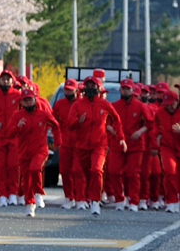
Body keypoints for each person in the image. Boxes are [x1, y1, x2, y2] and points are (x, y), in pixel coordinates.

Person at [68, 70, 123, 216]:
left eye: (93, 86)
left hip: (99, 144)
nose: (90, 88)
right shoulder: (77, 105)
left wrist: (120, 137)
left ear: (98, 89)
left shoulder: (104, 104)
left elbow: (116, 120)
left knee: (96, 170)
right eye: (88, 86)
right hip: (81, 145)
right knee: (86, 173)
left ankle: (95, 201)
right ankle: (86, 197)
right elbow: (70, 123)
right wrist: (77, 122)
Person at [2, 84, 60, 217]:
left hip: (40, 150)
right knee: (25, 180)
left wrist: (57, 142)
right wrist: (18, 127)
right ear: (22, 102)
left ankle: (38, 193)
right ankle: (30, 204)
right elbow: (9, 133)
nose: (28, 102)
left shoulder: (43, 114)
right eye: (25, 100)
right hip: (23, 152)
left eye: (30, 99)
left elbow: (56, 126)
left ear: (35, 99)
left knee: (35, 168)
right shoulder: (17, 116)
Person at [114, 79, 155, 212]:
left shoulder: (140, 106)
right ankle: (119, 200)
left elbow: (149, 123)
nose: (125, 91)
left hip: (135, 144)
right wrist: (113, 132)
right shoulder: (114, 106)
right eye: (123, 88)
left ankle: (134, 201)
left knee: (133, 173)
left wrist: (139, 131)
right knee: (114, 171)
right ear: (120, 90)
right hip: (118, 143)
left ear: (132, 91)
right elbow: (107, 121)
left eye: (128, 89)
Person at [0, 69, 21, 205]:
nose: (5, 81)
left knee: (13, 166)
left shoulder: (18, 96)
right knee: (0, 166)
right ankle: (1, 194)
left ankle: (13, 193)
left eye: (8, 79)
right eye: (3, 79)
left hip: (14, 136)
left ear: (12, 81)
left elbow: (25, 112)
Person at [53, 79, 79, 208]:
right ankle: (69, 197)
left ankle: (81, 197)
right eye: (66, 89)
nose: (68, 92)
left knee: (79, 171)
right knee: (65, 171)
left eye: (71, 89)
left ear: (76, 90)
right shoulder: (59, 104)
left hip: (80, 143)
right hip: (65, 142)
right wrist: (57, 139)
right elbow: (53, 122)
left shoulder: (82, 103)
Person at [156, 88, 180, 213]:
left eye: (172, 104)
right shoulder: (160, 112)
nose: (169, 107)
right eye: (167, 104)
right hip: (167, 147)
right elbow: (154, 125)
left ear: (177, 101)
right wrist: (157, 135)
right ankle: (171, 200)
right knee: (169, 171)